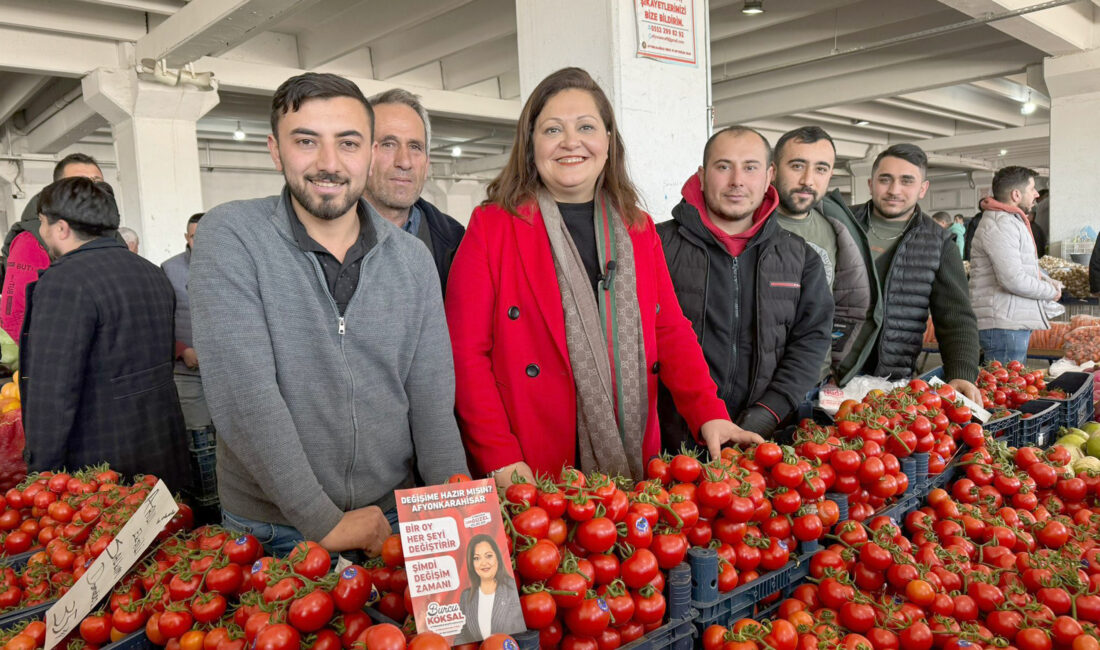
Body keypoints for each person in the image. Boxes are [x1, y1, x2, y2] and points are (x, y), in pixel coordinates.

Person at [190, 72, 469, 557]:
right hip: (272, 530)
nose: (329, 163)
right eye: (305, 141)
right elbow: (244, 397)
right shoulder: (232, 235)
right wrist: (325, 523)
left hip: (389, 518)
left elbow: (431, 404)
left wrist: (460, 519)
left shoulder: (412, 259)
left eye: (348, 143)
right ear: (276, 151)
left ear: (367, 154)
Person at [445, 67, 761, 486]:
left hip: (630, 453)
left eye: (586, 127)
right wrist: (499, 455)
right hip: (529, 459)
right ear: (530, 145)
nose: (570, 142)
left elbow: (668, 329)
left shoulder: (638, 228)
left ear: (608, 143)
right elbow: (465, 355)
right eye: (552, 129)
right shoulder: (492, 227)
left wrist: (709, 412)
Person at [657, 126, 833, 443]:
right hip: (669, 441)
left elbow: (810, 345)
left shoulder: (802, 259)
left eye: (750, 168)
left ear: (769, 176)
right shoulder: (656, 246)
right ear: (702, 174)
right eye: (723, 166)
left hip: (763, 440)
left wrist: (768, 413)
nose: (737, 180)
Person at [20, 177, 188, 490]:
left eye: (42, 223)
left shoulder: (64, 282)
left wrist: (42, 474)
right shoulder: (150, 272)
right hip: (162, 449)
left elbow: (53, 390)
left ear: (62, 228)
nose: (41, 233)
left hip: (99, 467)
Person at [851, 144, 980, 401]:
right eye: (885, 179)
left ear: (923, 188)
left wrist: (962, 372)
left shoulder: (939, 243)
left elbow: (956, 317)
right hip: (824, 376)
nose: (894, 190)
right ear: (870, 183)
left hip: (890, 380)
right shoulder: (840, 225)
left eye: (906, 181)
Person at [771, 126, 880, 388]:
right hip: (760, 385)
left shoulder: (836, 228)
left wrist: (836, 372)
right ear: (773, 169)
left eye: (820, 169)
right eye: (797, 166)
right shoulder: (748, 225)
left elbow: (845, 306)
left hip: (816, 381)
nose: (808, 180)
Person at [364, 89, 465, 295]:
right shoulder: (324, 239)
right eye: (388, 144)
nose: (404, 161)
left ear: (426, 163)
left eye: (415, 147)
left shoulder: (458, 243)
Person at [1, 153, 105, 343]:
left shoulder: (109, 233)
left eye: (96, 181)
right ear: (58, 190)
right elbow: (14, 316)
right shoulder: (32, 240)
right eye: (78, 183)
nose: (91, 189)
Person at [969, 166, 1061, 364]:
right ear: (1016, 194)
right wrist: (1049, 291)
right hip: (1003, 325)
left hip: (1008, 321)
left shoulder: (1009, 221)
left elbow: (1023, 267)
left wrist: (1046, 279)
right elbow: (1013, 279)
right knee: (1004, 388)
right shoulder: (1001, 225)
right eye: (1032, 188)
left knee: (1008, 385)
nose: (1037, 194)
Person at [162, 213, 211, 434]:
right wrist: (181, 350)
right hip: (187, 373)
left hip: (227, 373)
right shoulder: (168, 269)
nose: (199, 243)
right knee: (198, 439)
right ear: (186, 237)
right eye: (193, 237)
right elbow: (159, 321)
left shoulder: (234, 266)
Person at [453, 534, 525, 644]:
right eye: (476, 558)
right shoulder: (466, 596)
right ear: (471, 564)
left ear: (498, 557)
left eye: (488, 556)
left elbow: (519, 634)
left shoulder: (510, 590)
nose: (483, 563)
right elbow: (461, 635)